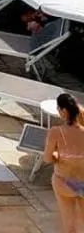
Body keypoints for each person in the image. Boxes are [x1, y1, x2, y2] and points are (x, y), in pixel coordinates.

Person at [47, 92, 84, 233]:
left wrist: (57, 154)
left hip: (64, 181)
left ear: (63, 111)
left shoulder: (56, 132)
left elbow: (47, 158)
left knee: (69, 224)